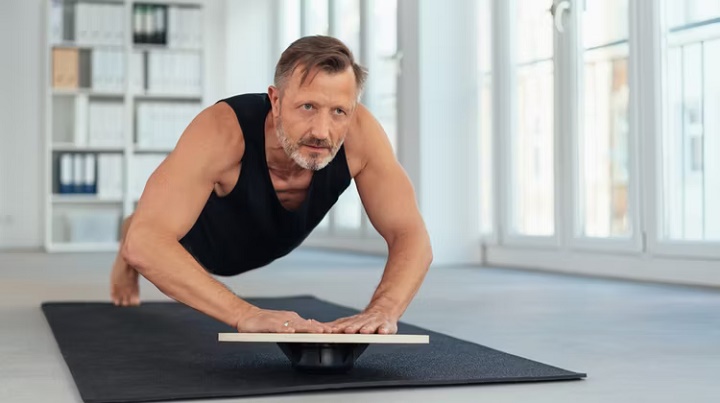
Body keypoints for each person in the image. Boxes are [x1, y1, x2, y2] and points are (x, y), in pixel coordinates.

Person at [110, 35, 432, 335]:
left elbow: (411, 234)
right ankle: (127, 227)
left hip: (274, 239)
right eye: (308, 107)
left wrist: (384, 309)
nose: (322, 130)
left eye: (338, 111)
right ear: (275, 101)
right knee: (139, 228)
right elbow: (146, 242)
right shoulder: (221, 132)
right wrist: (243, 313)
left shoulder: (362, 136)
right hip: (203, 242)